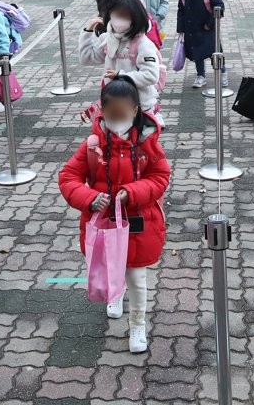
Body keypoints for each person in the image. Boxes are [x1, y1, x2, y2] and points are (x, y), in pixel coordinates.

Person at [58, 76, 171, 353]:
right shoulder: (94, 145)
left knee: (137, 278)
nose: (116, 121)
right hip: (104, 225)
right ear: (102, 112)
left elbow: (160, 176)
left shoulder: (147, 143)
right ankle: (114, 296)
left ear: (135, 111)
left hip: (138, 225)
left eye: (122, 115)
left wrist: (132, 192)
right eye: (111, 115)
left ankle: (137, 324)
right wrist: (90, 198)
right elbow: (68, 176)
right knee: (111, 270)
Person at [79, 0, 162, 115]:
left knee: (135, 134)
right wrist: (87, 32)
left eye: (124, 16)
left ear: (135, 18)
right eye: (116, 15)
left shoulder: (143, 44)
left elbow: (151, 75)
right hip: (113, 103)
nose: (118, 20)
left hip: (138, 106)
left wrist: (120, 76)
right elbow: (87, 59)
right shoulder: (108, 39)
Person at [177, 0, 227, 89]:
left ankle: (223, 73)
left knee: (215, 52)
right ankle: (201, 76)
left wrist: (209, 23)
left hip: (208, 31)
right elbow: (181, 11)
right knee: (197, 54)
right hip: (192, 31)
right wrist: (181, 28)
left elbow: (220, 6)